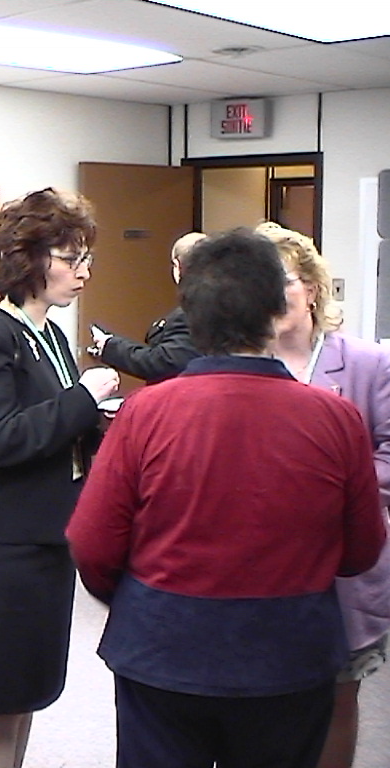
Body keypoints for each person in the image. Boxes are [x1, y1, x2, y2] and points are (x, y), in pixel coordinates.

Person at [66, 229, 387, 768]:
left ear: (191, 317)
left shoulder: (146, 413)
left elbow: (92, 543)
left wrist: (145, 600)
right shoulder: (335, 418)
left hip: (163, 645)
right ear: (274, 311)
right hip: (289, 653)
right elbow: (360, 551)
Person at [0, 187, 119, 768]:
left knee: (26, 697)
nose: (83, 272)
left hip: (44, 546)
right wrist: (82, 400)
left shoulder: (51, 337)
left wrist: (97, 421)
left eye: (86, 258)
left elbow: (50, 428)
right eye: (71, 258)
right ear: (28, 259)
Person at [259, 220, 390, 768]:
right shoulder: (244, 366)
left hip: (342, 560)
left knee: (337, 696)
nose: (272, 296)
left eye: (284, 281)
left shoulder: (366, 363)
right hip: (263, 564)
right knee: (264, 703)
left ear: (312, 289)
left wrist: (334, 494)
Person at [88, 231, 205, 383]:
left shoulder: (194, 313)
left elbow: (165, 364)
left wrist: (109, 346)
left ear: (177, 266)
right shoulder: (226, 306)